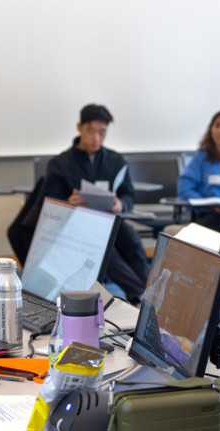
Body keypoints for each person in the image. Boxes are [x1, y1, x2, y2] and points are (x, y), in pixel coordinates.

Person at [43, 103, 149, 302]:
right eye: (91, 131)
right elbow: (49, 203)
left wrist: (121, 204)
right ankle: (140, 294)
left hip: (108, 220)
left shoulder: (116, 161)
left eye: (102, 132)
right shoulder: (60, 164)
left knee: (131, 238)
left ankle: (149, 291)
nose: (96, 138)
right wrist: (68, 202)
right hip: (75, 229)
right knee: (103, 247)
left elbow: (128, 195)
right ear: (79, 128)